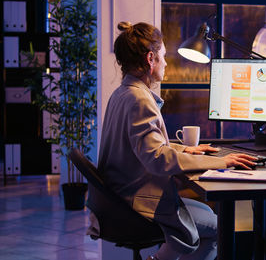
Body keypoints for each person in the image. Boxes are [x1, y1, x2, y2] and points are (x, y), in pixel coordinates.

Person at [98, 21, 257, 260]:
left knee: (204, 212)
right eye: (163, 56)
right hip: (137, 204)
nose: (165, 61)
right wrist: (221, 163)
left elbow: (142, 146)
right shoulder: (139, 99)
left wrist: (186, 149)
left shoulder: (122, 93)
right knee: (219, 229)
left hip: (120, 200)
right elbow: (156, 159)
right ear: (150, 59)